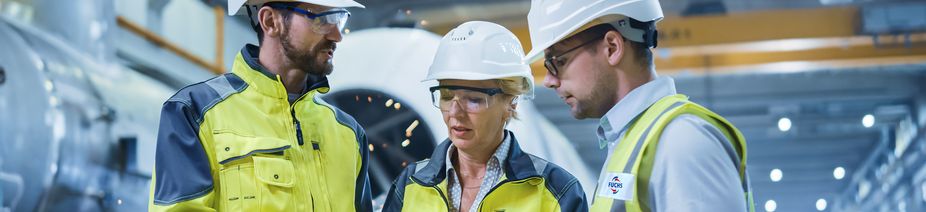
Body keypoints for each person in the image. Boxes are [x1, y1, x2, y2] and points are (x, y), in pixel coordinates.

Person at [523, 0, 755, 211]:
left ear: (612, 47)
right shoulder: (630, 143)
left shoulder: (681, 141)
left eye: (558, 61)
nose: (550, 81)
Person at [147, 0, 371, 211]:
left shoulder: (349, 135)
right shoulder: (194, 113)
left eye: (340, 19)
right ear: (270, 22)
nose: (337, 35)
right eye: (322, 19)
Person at [382, 21, 588, 212]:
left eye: (473, 99)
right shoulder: (410, 183)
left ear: (511, 102)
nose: (454, 113)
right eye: (446, 96)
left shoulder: (557, 191)